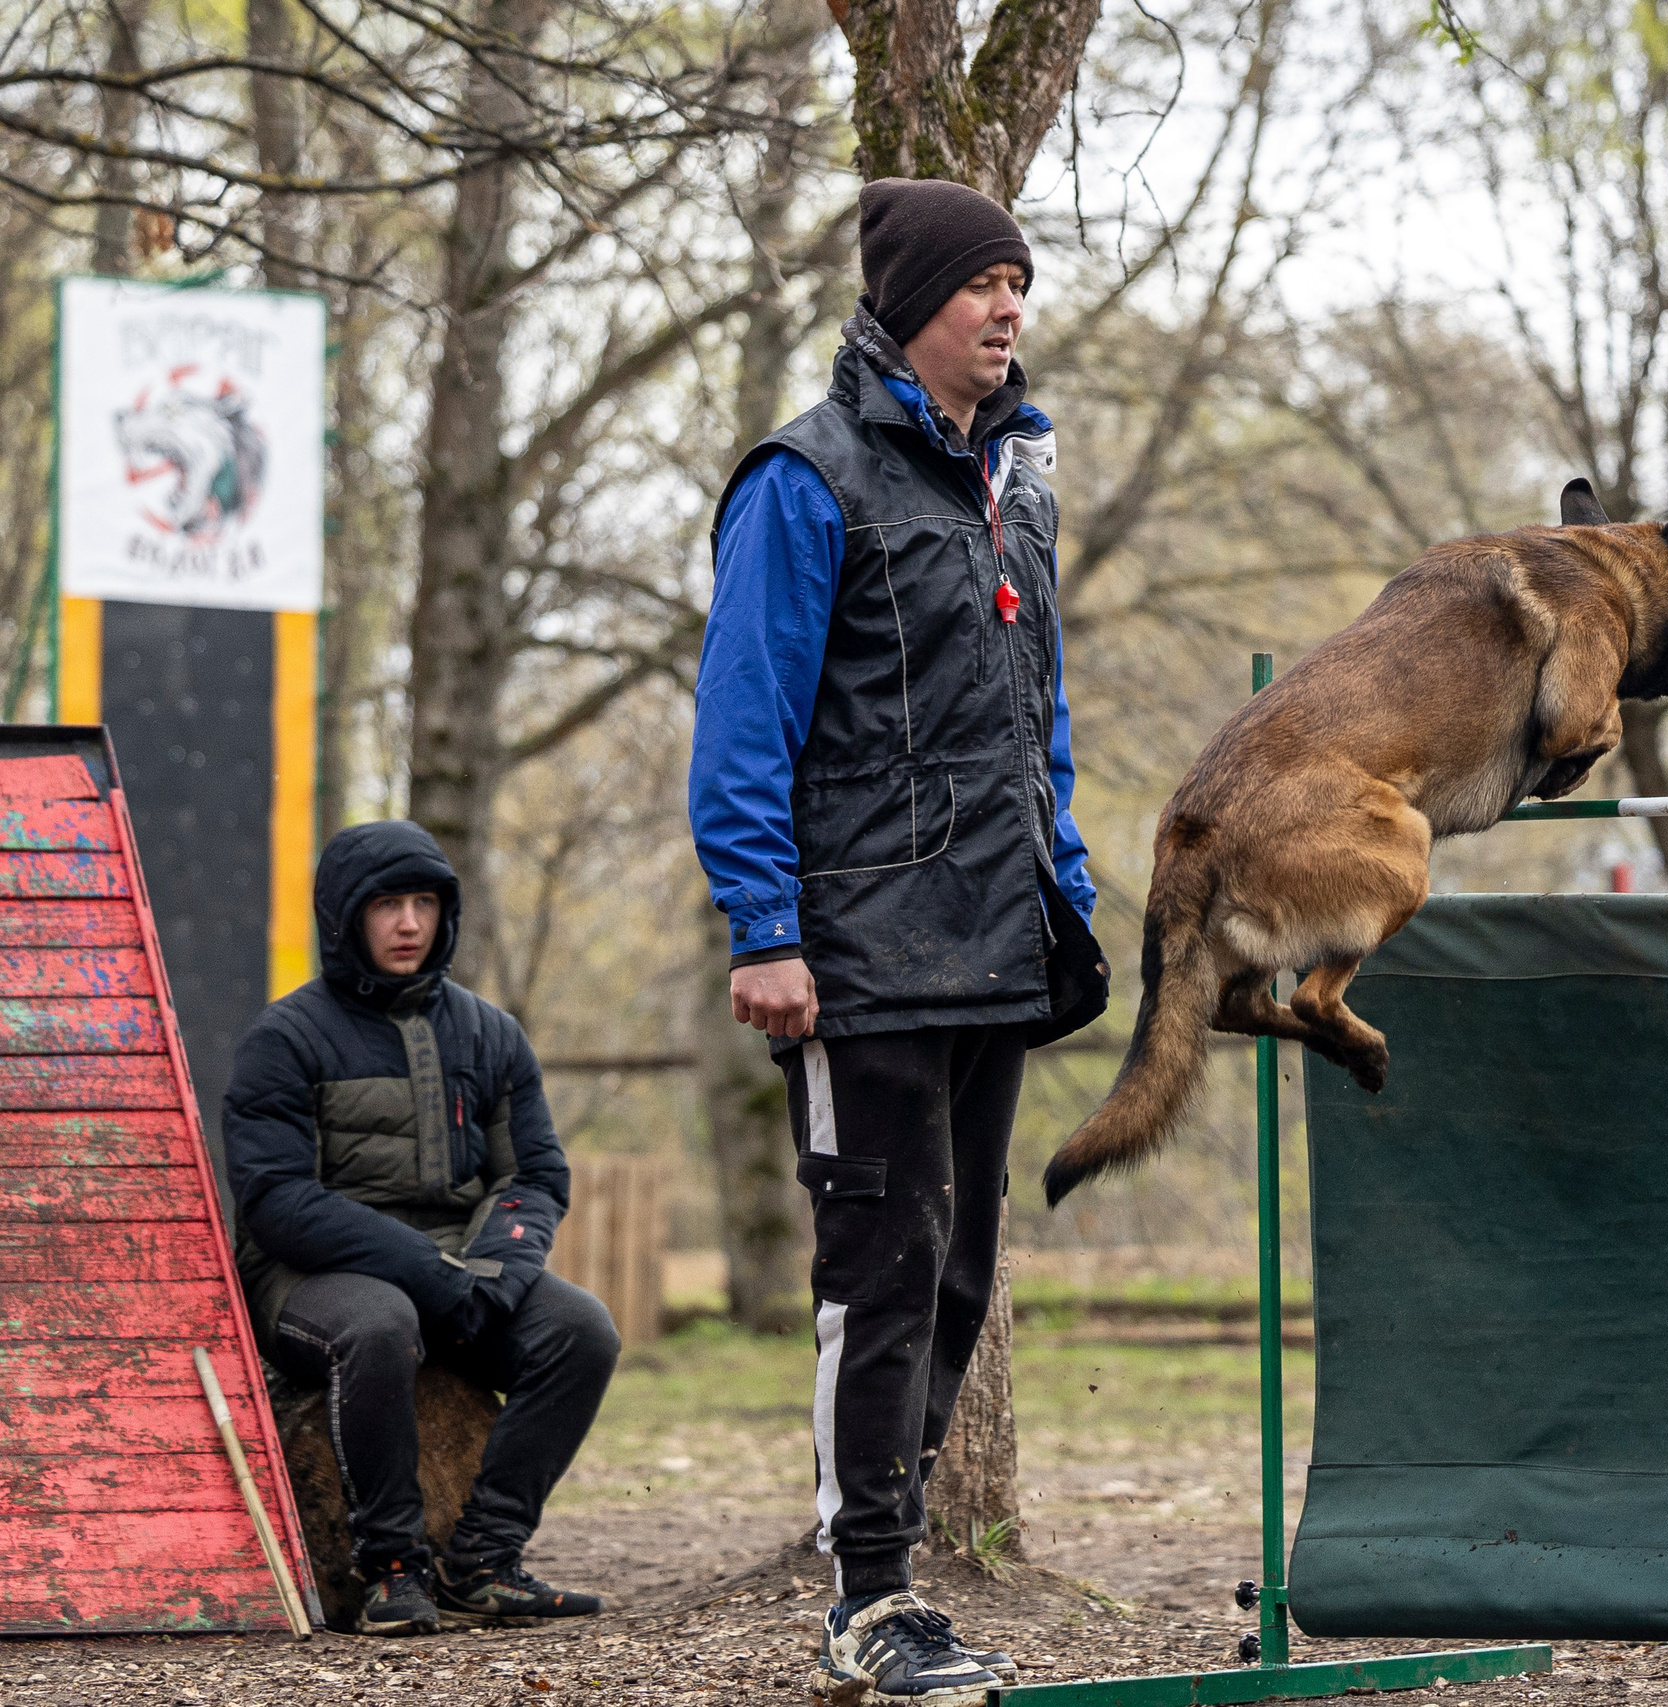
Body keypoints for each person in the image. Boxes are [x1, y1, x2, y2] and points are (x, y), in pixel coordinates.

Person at [689, 175, 1108, 1706]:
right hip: (858, 955)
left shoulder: (1020, 480)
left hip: (999, 940)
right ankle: (865, 1594)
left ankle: (900, 1566)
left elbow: (1034, 713)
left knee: (960, 1266)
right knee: (882, 1263)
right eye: (979, 284)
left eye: (1020, 284)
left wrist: (1062, 871)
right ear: (907, 302)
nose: (1006, 310)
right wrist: (765, 926)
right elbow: (744, 721)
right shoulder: (804, 482)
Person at [225, 820, 619, 1637]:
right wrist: (427, 1270)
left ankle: (483, 1561)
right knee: (379, 1321)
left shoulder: (491, 1033)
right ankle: (391, 1570)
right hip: (307, 1274)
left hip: (462, 1265)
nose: (409, 923)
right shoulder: (284, 1038)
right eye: (386, 905)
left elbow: (534, 1175)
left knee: (580, 1328)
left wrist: (497, 1270)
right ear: (343, 919)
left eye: (425, 903)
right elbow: (278, 1200)